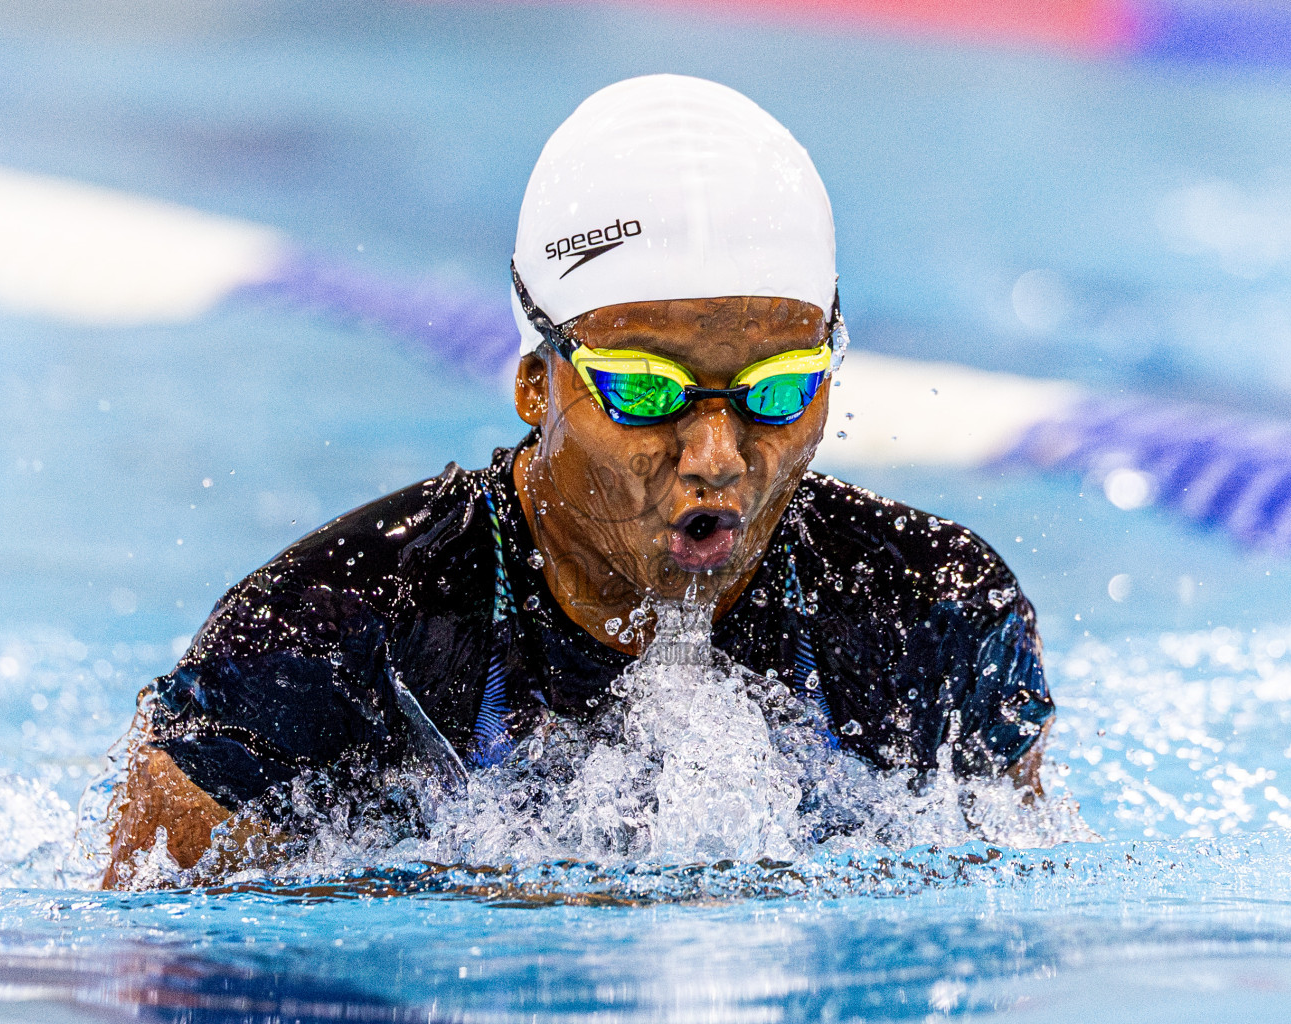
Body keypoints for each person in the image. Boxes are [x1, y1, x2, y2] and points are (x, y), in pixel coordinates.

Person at [102, 74, 1054, 887]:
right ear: (535, 382)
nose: (716, 455)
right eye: (645, 390)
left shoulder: (936, 613)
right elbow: (150, 960)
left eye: (779, 390)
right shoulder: (328, 638)